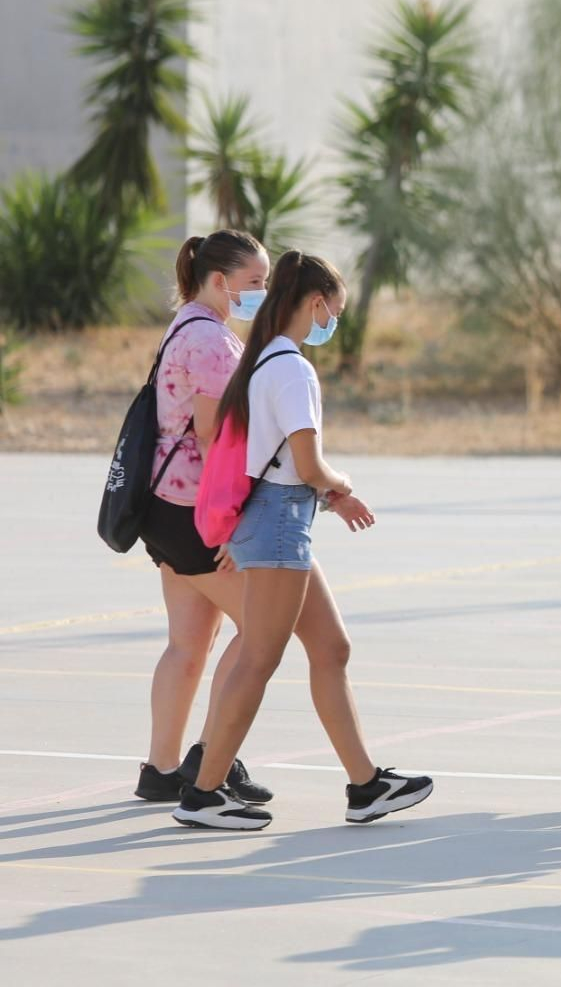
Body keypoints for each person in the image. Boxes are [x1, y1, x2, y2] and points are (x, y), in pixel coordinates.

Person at [172, 252, 433, 830]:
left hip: (279, 517)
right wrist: (344, 486)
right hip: (280, 522)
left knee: (331, 648)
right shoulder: (291, 368)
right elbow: (308, 464)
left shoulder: (266, 359)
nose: (331, 323)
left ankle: (366, 786)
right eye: (333, 311)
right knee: (258, 660)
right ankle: (204, 792)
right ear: (315, 303)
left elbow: (282, 461)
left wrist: (330, 499)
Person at [133, 230, 274, 806]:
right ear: (220, 281)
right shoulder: (213, 341)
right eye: (254, 282)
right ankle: (211, 758)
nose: (262, 291)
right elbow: (217, 435)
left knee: (188, 644)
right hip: (197, 510)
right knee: (262, 629)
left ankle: (161, 768)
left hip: (164, 504)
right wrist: (234, 521)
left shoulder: (186, 324)